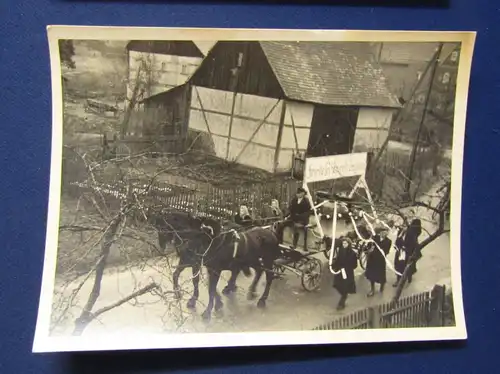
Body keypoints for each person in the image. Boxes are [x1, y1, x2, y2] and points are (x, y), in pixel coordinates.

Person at [331, 237, 358, 310]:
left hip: (347, 273)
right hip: (340, 271)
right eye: (343, 243)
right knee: (337, 285)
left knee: (345, 287)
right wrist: (333, 265)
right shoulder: (341, 251)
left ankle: (341, 303)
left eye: (345, 243)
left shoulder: (353, 254)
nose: (344, 245)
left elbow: (355, 265)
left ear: (349, 244)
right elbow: (338, 260)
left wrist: (348, 267)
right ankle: (344, 295)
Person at [393, 219, 422, 287]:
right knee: (398, 265)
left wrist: (406, 249)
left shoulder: (411, 234)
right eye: (402, 226)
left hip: (408, 252)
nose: (403, 228)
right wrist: (398, 246)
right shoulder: (400, 232)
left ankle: (409, 276)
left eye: (405, 226)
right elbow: (397, 241)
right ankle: (398, 280)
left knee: (408, 266)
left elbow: (413, 245)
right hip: (400, 251)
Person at [365, 228, 392, 296]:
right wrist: (370, 250)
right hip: (372, 259)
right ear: (380, 232)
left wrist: (382, 252)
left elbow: (387, 251)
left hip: (380, 260)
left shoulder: (388, 241)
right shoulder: (374, 238)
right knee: (372, 275)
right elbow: (369, 246)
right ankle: (372, 289)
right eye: (383, 232)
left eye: (386, 233)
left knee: (381, 275)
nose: (384, 234)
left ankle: (382, 286)